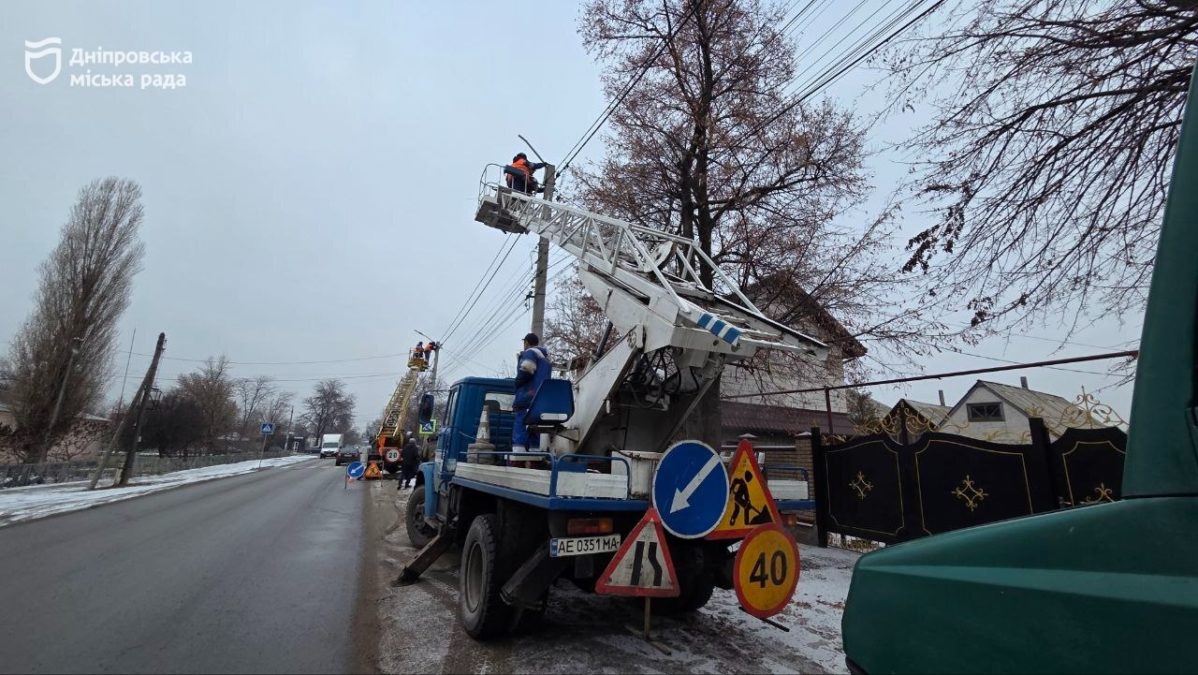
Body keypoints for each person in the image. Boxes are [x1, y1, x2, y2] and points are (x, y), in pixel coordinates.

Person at [511, 332, 551, 455]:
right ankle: (535, 449)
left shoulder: (530, 353)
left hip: (528, 394)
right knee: (536, 422)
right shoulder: (546, 359)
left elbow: (527, 369)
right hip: (542, 396)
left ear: (526, 343)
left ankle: (518, 450)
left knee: (521, 420)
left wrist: (517, 382)